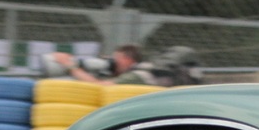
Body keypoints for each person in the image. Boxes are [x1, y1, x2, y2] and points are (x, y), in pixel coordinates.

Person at [52, 44, 201, 85]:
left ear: (127, 59)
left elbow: (101, 87)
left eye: (116, 58)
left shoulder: (138, 75)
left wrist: (70, 66)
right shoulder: (147, 70)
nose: (112, 62)